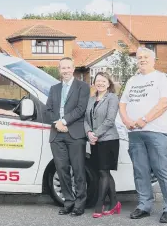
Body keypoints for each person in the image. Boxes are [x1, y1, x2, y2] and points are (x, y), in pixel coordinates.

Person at [119, 47, 167, 223]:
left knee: (162, 170)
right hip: (134, 133)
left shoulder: (161, 78)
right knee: (140, 171)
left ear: (153, 60)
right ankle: (144, 206)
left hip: (156, 131)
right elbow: (122, 103)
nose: (142, 60)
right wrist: (126, 120)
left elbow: (164, 103)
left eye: (146, 57)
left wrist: (144, 119)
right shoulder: (132, 80)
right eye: (139, 57)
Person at [46, 57, 90, 216]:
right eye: (62, 68)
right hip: (57, 136)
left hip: (75, 134)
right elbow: (48, 110)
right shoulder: (54, 88)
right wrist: (57, 123)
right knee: (62, 169)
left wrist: (64, 121)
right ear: (59, 70)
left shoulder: (83, 87)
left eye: (68, 67)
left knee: (78, 170)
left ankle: (80, 203)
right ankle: (68, 202)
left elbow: (81, 109)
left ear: (73, 69)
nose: (65, 71)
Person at [84, 72, 120, 218]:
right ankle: (115, 202)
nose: (100, 83)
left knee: (104, 172)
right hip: (95, 141)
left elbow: (110, 120)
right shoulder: (91, 99)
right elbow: (85, 119)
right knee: (103, 172)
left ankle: (100, 204)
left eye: (103, 81)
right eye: (98, 81)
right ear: (94, 83)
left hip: (109, 140)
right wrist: (89, 134)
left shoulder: (112, 98)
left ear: (108, 83)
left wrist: (96, 134)